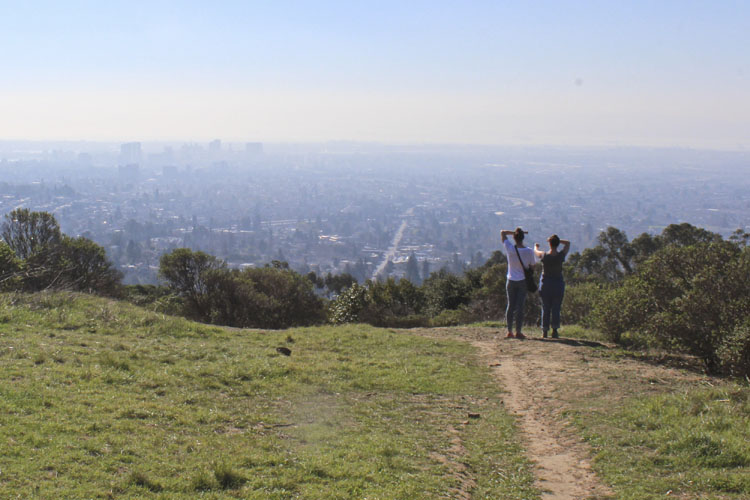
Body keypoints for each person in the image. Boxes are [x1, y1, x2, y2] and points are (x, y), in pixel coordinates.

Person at [501, 227, 536, 339]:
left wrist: (513, 232)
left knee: (510, 305)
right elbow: (533, 266)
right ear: (523, 238)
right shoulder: (529, 251)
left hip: (511, 280)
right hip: (522, 281)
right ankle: (518, 331)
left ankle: (509, 331)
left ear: (514, 238)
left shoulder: (510, 248)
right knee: (520, 306)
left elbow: (502, 232)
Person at [533, 234, 571, 338]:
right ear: (558, 244)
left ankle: (544, 330)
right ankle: (555, 330)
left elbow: (536, 252)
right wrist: (556, 240)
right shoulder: (561, 256)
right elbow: (568, 243)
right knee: (556, 308)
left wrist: (536, 246)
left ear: (549, 243)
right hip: (557, 284)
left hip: (546, 284)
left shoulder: (544, 255)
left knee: (545, 307)